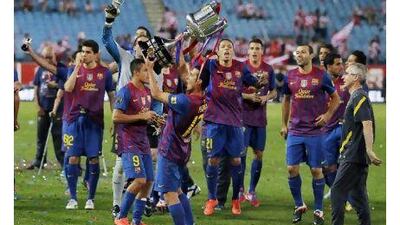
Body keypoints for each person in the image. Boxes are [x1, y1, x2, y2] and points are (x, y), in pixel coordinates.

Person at [198, 38, 266, 216]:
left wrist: (261, 81)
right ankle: (211, 199)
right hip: (214, 122)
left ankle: (236, 199)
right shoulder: (210, 66)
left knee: (236, 161)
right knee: (213, 160)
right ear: (218, 51)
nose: (227, 49)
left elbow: (254, 82)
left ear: (233, 51)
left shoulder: (240, 68)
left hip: (235, 123)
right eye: (223, 47)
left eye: (229, 47)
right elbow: (198, 86)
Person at [102, 6, 158, 217]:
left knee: (148, 171)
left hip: (146, 125)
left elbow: (157, 100)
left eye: (145, 40)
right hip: (127, 120)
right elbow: (107, 41)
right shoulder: (124, 58)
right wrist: (109, 21)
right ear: (133, 45)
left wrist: (157, 118)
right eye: (137, 40)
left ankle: (140, 209)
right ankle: (118, 206)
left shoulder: (154, 72)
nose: (140, 43)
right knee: (121, 165)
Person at [280, 44, 340, 224]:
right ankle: (299, 205)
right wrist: (284, 124)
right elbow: (286, 100)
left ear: (311, 55)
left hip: (315, 131)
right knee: (291, 168)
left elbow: (336, 98)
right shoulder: (289, 76)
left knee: (316, 170)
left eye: (303, 52)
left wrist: (328, 115)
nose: (299, 55)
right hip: (296, 130)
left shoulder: (321, 75)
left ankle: (319, 209)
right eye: (296, 52)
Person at [148, 54, 205, 225]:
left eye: (193, 76)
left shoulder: (184, 101)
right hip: (182, 149)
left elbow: (156, 93)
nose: (188, 77)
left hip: (170, 150)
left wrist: (150, 69)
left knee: (169, 194)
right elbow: (182, 72)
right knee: (178, 190)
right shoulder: (202, 100)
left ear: (199, 82)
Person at [63, 39, 115, 210]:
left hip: (94, 121)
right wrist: (77, 68)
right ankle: (72, 198)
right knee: (72, 157)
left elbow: (112, 97)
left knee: (93, 159)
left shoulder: (104, 73)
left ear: (95, 54)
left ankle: (90, 198)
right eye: (83, 52)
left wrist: (115, 118)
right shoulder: (74, 69)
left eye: (87, 52)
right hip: (74, 120)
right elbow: (68, 88)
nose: (84, 55)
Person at [330, 63, 382, 225]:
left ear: (356, 78)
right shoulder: (356, 96)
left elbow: (367, 123)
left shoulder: (359, 97)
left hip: (353, 154)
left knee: (337, 191)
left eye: (347, 73)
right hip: (355, 154)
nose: (343, 76)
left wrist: (369, 150)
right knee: (358, 196)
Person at [113, 58, 156, 225]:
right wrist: (141, 116)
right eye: (145, 70)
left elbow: (143, 115)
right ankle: (120, 217)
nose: (148, 73)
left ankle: (136, 220)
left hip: (142, 140)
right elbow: (116, 116)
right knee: (139, 180)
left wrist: (153, 119)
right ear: (136, 72)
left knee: (148, 181)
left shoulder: (146, 91)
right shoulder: (125, 91)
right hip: (128, 141)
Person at [240, 38, 277, 207]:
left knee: (258, 154)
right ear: (248, 51)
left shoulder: (269, 69)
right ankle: (239, 189)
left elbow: (274, 92)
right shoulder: (242, 67)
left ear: (262, 51)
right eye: (252, 48)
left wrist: (265, 97)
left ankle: (252, 190)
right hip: (243, 117)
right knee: (241, 154)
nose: (254, 51)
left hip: (260, 119)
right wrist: (248, 96)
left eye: (257, 48)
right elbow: (235, 91)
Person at [27, 46, 64, 170]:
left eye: (49, 56)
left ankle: (63, 162)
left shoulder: (60, 69)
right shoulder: (40, 70)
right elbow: (36, 88)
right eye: (45, 57)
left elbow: (64, 87)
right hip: (43, 108)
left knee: (58, 137)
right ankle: (39, 161)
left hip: (58, 110)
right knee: (41, 137)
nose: (47, 59)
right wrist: (38, 106)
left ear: (54, 56)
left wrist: (55, 85)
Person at [321, 53, 350, 197]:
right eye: (338, 64)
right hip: (324, 131)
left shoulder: (346, 83)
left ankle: (349, 198)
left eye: (342, 63)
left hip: (344, 129)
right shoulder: (319, 83)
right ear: (329, 66)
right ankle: (337, 192)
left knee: (348, 165)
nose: (341, 66)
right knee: (328, 166)